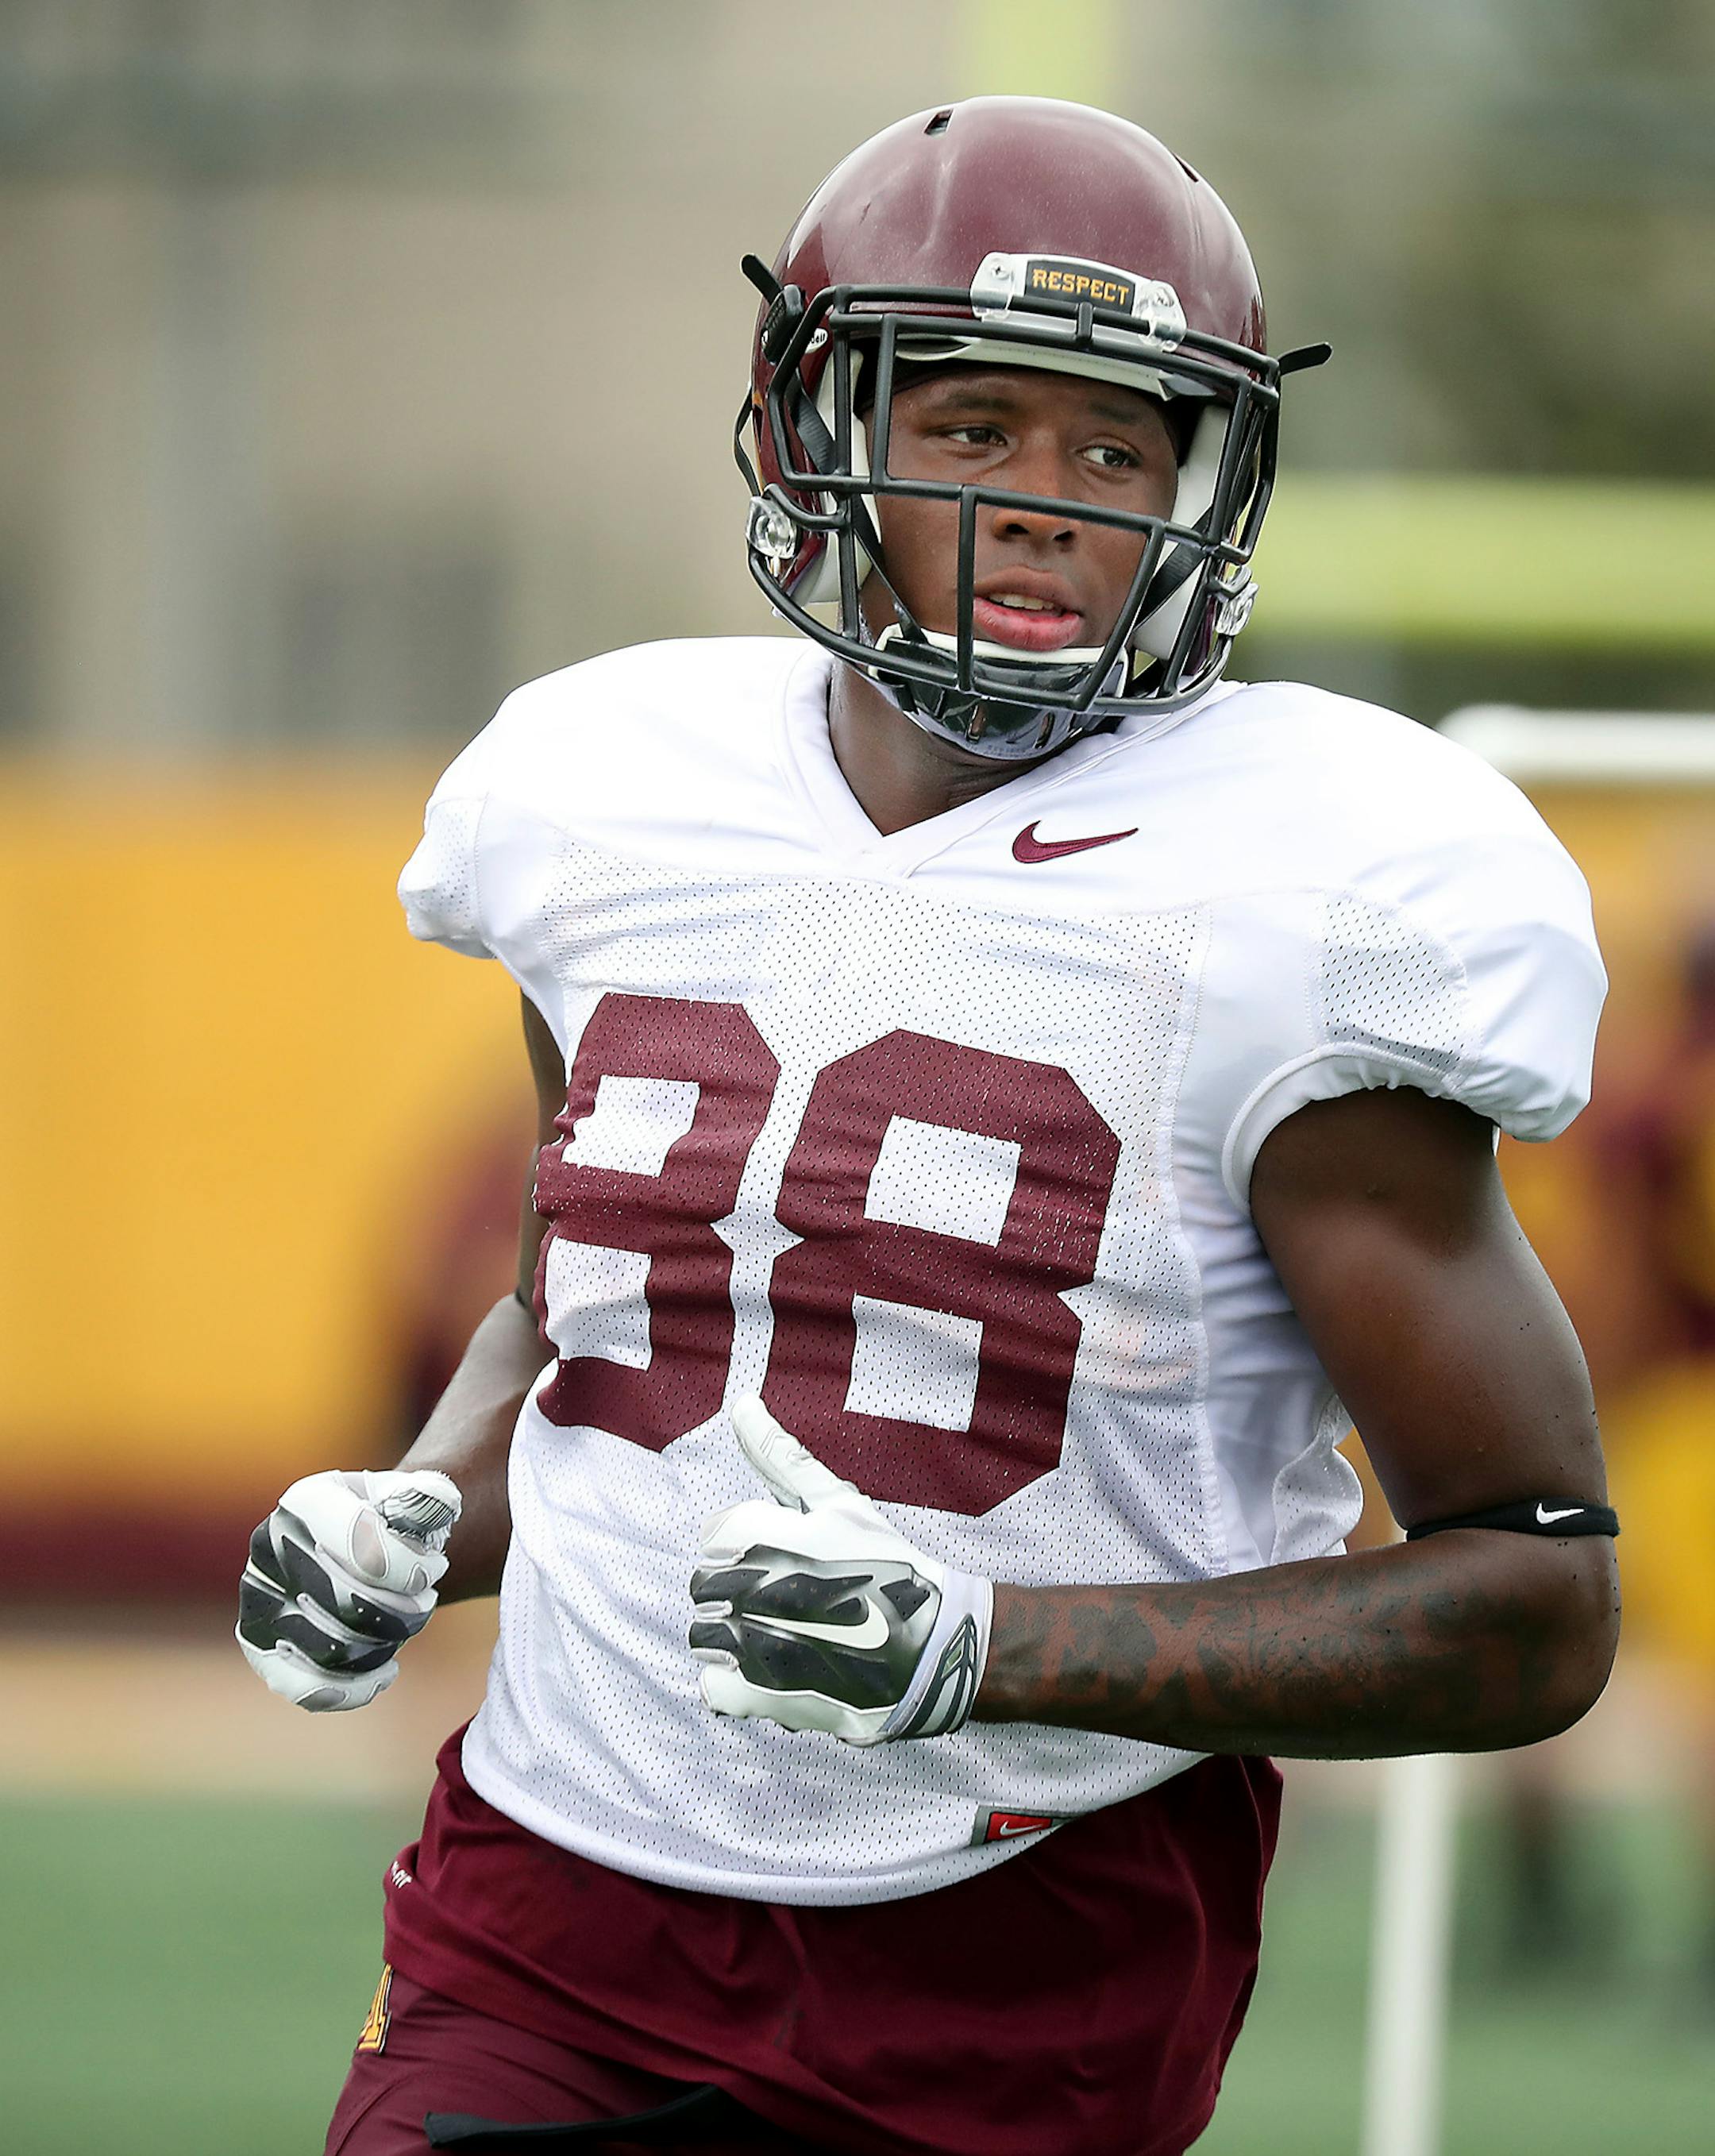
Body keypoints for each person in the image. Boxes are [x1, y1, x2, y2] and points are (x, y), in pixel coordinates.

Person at [237, 98, 1621, 2156]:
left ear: (1203, 488)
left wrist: (991, 1646)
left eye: (1116, 446)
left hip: (1014, 1931)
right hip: (549, 1877)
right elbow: (596, 1307)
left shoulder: (1304, 896)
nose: (1049, 504)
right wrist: (429, 1504)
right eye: (972, 426)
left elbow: (1531, 1592)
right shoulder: (606, 787)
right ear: (817, 433)